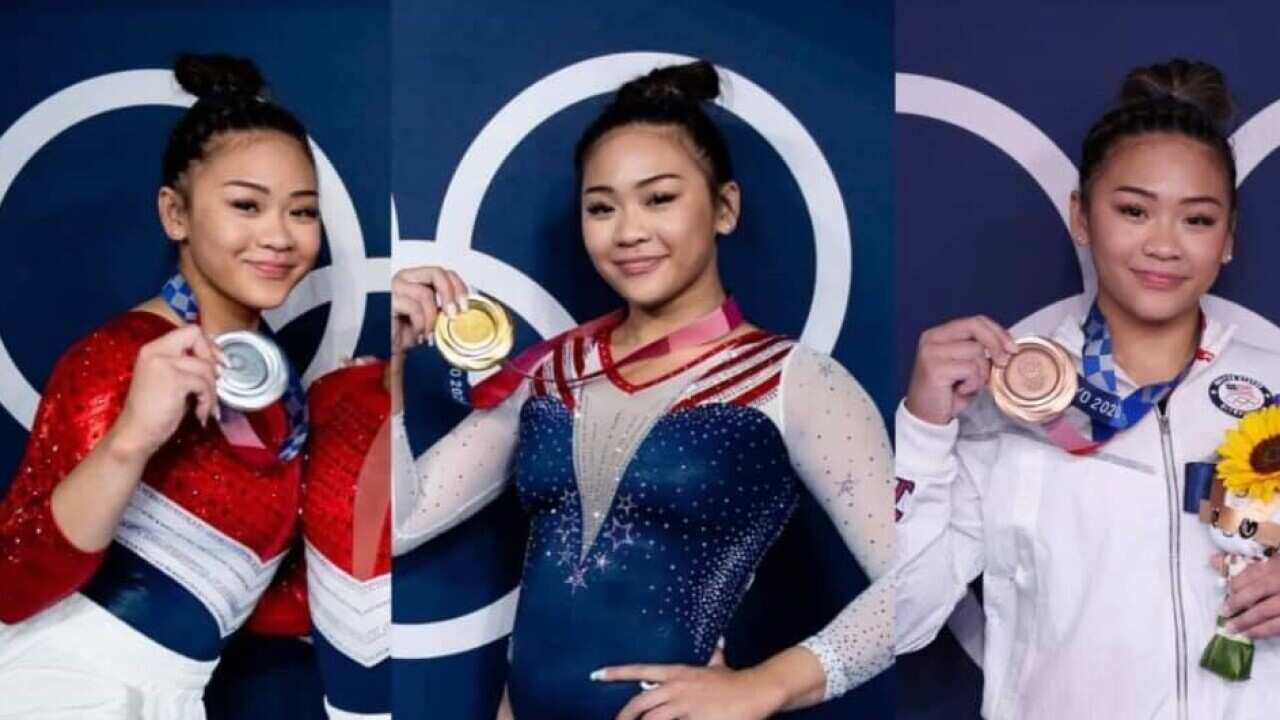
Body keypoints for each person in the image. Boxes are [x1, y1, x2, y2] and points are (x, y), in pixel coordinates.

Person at [391, 60, 894, 719]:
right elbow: (397, 521)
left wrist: (769, 684)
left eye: (660, 198)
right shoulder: (549, 374)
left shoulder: (794, 383)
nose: (628, 231)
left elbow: (916, 580)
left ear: (724, 208)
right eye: (602, 207)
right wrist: (388, 370)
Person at [895, 58, 1280, 718]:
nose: (1164, 245)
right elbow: (900, 619)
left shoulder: (1271, 378)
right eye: (1134, 210)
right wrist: (925, 432)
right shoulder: (1010, 387)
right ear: (1082, 216)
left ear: (1229, 240)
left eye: (1196, 220)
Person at [0, 53, 320, 719]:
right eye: (246, 205)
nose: (279, 236)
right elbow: (12, 580)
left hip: (173, 698)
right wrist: (130, 442)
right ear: (175, 214)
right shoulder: (119, 356)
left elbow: (253, 605)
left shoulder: (276, 390)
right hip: (59, 689)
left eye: (302, 211)